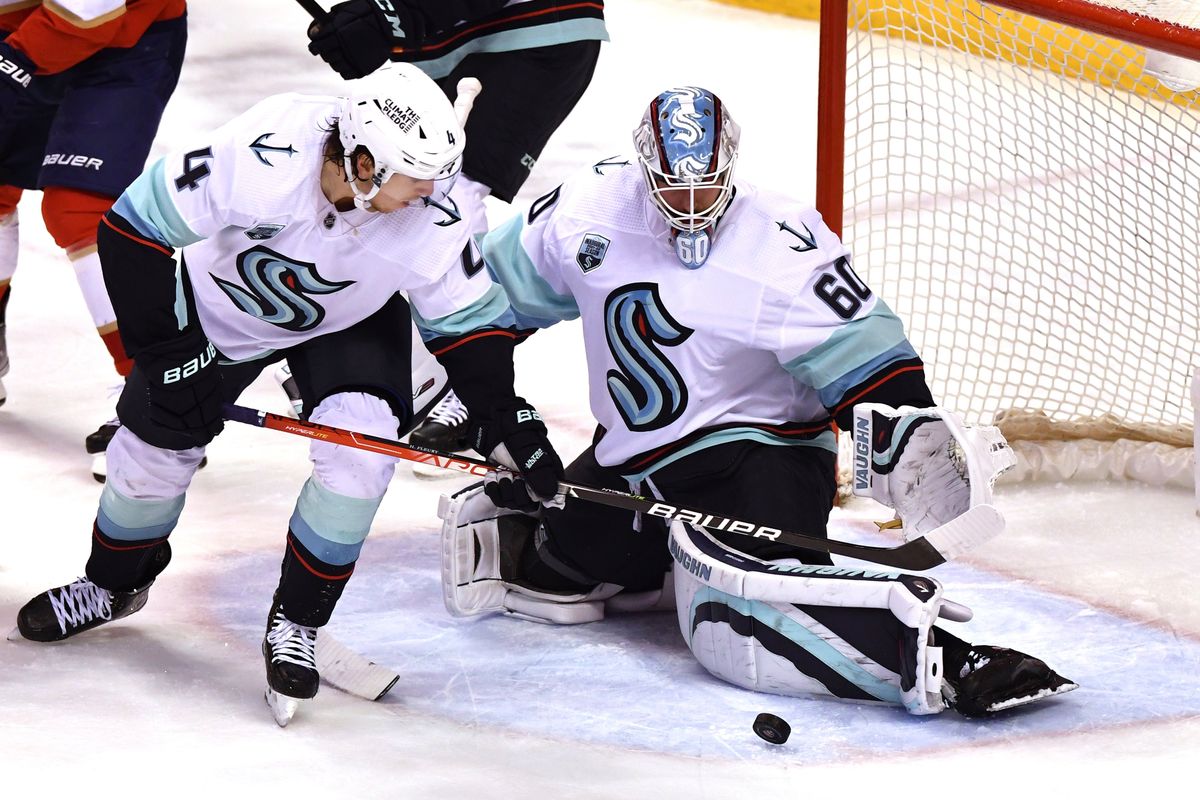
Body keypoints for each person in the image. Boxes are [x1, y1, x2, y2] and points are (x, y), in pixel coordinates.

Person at [439, 86, 1078, 718]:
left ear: (730, 167)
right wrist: (454, 388)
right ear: (643, 168)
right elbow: (476, 293)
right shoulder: (588, 206)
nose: (690, 207)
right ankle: (667, 564)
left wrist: (909, 434)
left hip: (759, 455)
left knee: (756, 607)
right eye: (672, 188)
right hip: (636, 467)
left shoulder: (780, 239)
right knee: (544, 569)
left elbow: (867, 353)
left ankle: (957, 661)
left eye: (705, 187)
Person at [13, 64, 563, 726]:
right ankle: (112, 585)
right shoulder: (264, 150)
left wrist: (514, 423)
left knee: (362, 455)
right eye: (414, 175)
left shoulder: (433, 210)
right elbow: (132, 228)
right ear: (360, 161)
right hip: (218, 315)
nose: (431, 192)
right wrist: (164, 356)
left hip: (349, 322)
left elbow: (472, 332)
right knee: (150, 455)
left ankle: (297, 621)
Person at [304, 0, 607, 452]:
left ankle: (458, 384)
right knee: (387, 172)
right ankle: (372, 344)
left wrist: (393, 14)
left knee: (446, 188)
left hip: (533, 27)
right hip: (440, 34)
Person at [0, 0, 188, 480]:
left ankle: (155, 394)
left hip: (125, 36)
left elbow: (89, 8)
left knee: (79, 208)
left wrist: (15, 60)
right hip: (18, 30)